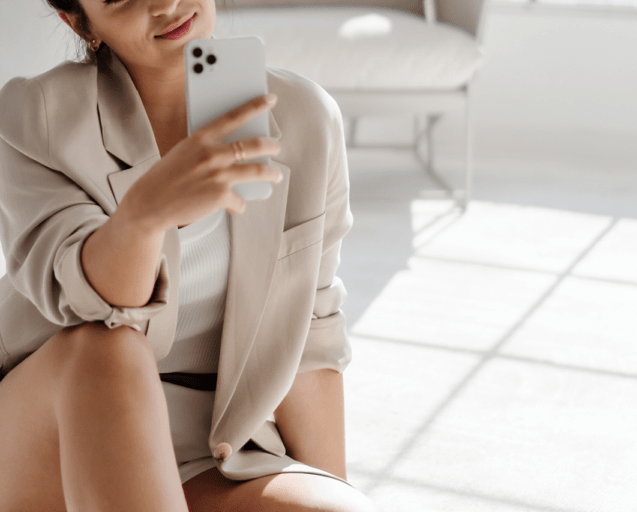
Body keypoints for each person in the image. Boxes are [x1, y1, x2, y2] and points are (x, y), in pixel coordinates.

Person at [0, 0, 379, 510]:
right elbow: (88, 305)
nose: (164, 4)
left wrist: (331, 486)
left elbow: (310, 337)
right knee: (111, 350)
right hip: (52, 431)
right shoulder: (36, 117)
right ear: (80, 22)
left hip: (218, 451)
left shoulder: (304, 116)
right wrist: (145, 216)